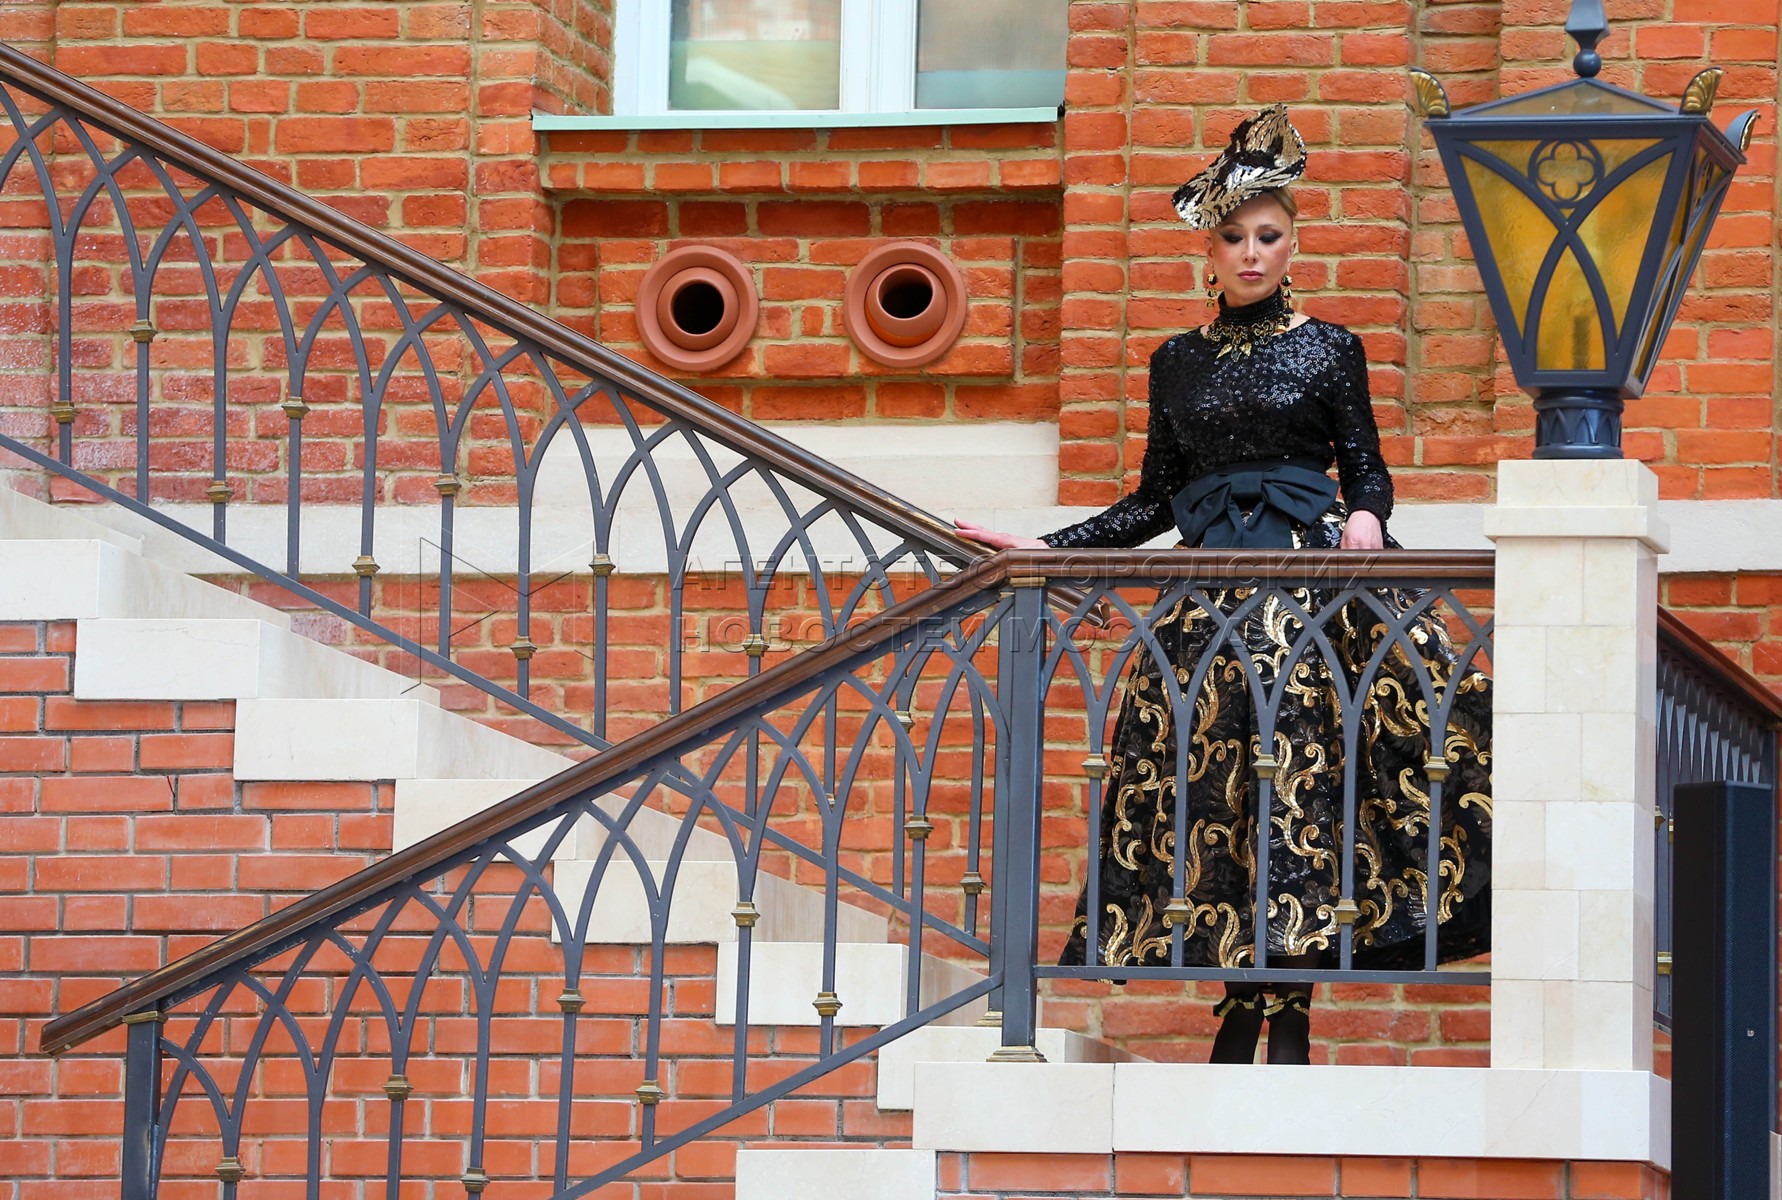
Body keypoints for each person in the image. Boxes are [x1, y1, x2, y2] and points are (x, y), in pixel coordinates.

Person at [956, 104, 1492, 1065]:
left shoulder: (1331, 346)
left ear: (1293, 245)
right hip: (1206, 609)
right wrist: (1043, 544)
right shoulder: (1175, 362)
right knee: (1219, 800)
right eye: (1235, 238)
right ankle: (1243, 997)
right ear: (1208, 252)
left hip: (1310, 599)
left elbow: (1365, 469)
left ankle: (1288, 1011)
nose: (1252, 253)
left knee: (1305, 794)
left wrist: (1367, 517)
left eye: (1269, 236)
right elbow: (1152, 501)